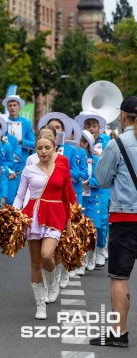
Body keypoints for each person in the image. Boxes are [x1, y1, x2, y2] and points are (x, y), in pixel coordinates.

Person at [89, 96, 137, 347]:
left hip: (126, 217)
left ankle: (119, 333)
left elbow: (102, 180)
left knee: (120, 276)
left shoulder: (118, 145)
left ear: (123, 116)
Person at [13, 136, 72, 320]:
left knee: (47, 255)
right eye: (40, 148)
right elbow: (20, 195)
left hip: (55, 215)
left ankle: (53, 279)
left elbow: (66, 198)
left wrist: (68, 222)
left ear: (55, 149)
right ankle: (40, 305)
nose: (44, 151)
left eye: (47, 147)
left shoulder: (61, 169)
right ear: (35, 151)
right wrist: (13, 215)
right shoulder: (29, 170)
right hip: (33, 215)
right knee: (36, 262)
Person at [76, 110, 110, 267]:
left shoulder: (107, 141)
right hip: (85, 189)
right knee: (84, 221)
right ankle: (87, 252)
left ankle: (101, 248)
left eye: (94, 125)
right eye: (88, 125)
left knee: (102, 221)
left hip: (103, 187)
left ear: (99, 127)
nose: (91, 128)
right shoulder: (80, 144)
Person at [3, 95, 35, 205]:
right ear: (7, 108)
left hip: (21, 165)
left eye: (14, 105)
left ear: (19, 107)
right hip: (6, 164)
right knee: (7, 197)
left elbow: (34, 144)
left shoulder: (26, 123)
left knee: (21, 195)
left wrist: (20, 141)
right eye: (10, 105)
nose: (12, 108)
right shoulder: (3, 122)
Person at [79, 130, 102, 273]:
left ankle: (91, 254)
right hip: (80, 197)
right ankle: (80, 260)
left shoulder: (97, 160)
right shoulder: (75, 157)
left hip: (93, 198)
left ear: (86, 143)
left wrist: (89, 181)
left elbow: (102, 179)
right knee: (80, 229)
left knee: (92, 228)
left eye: (80, 142)